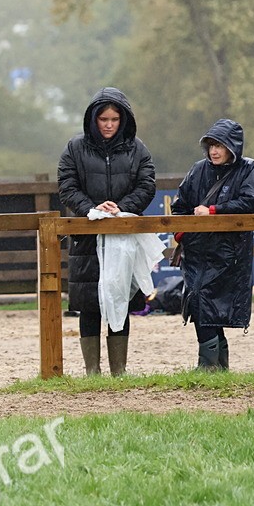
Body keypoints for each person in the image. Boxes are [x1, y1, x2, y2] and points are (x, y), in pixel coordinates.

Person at [58, 88, 156, 375]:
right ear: (94, 119)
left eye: (114, 118)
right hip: (87, 237)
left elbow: (147, 184)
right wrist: (92, 208)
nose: (109, 124)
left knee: (120, 299)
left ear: (123, 119)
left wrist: (121, 208)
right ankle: (92, 371)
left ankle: (119, 370)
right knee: (90, 304)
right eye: (103, 118)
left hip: (123, 235)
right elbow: (67, 184)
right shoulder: (74, 148)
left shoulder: (138, 149)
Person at [172, 119, 254, 370]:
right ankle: (215, 366)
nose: (214, 150)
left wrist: (214, 210)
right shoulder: (198, 169)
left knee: (209, 308)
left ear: (232, 147)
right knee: (199, 304)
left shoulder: (248, 169)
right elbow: (179, 206)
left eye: (220, 145)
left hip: (229, 255)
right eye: (211, 144)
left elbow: (252, 203)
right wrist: (181, 233)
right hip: (197, 252)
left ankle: (210, 365)